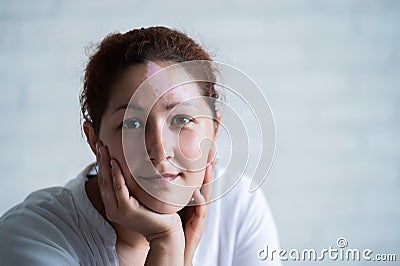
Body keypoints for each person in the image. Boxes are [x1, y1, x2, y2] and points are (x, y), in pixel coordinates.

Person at [0, 26, 281, 265]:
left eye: (182, 119)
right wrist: (166, 243)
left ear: (215, 130)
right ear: (94, 139)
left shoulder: (238, 206)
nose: (159, 151)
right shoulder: (32, 234)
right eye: (132, 124)